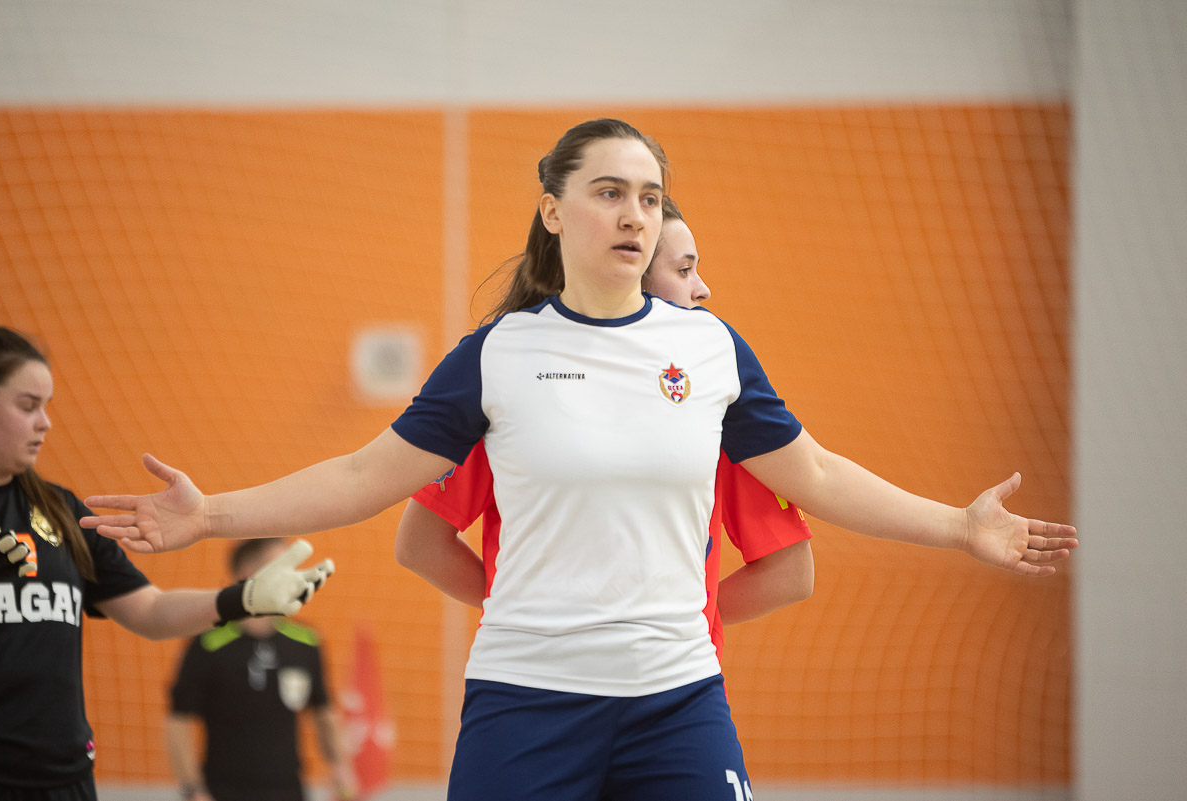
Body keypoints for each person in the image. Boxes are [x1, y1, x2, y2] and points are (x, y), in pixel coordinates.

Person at [81, 118, 1077, 801]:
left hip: (679, 699)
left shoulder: (710, 348)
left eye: (649, 196)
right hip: (526, 699)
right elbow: (358, 479)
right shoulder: (495, 355)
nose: (634, 214)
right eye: (609, 192)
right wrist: (210, 515)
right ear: (554, 210)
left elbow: (814, 474)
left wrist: (960, 525)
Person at [395, 195, 816, 662]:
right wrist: (530, 617)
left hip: (673, 682)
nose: (703, 289)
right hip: (539, 677)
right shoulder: (517, 388)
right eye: (683, 270)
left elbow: (790, 571)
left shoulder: (713, 405)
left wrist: (670, 628)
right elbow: (420, 543)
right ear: (627, 277)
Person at [0, 325, 335, 801]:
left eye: (47, 405)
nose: (45, 422)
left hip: (63, 780)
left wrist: (243, 598)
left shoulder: (61, 512)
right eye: (28, 406)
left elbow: (151, 612)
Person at [167, 537, 357, 801]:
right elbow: (179, 719)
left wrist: (340, 766)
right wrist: (192, 789)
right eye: (281, 565)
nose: (291, 575)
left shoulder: (306, 641)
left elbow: (323, 710)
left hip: (289, 791)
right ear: (248, 573)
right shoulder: (208, 642)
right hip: (222, 792)